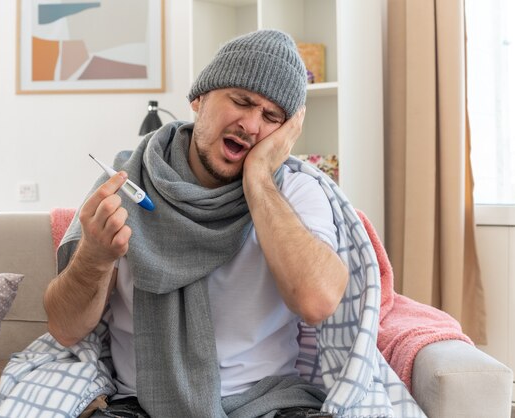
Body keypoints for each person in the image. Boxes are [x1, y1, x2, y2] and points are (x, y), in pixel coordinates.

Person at [44, 29, 349, 418]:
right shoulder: (124, 181)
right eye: (242, 101)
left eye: (272, 117)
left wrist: (258, 180)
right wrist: (94, 258)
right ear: (199, 98)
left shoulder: (296, 191)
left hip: (269, 403)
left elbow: (317, 301)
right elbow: (66, 328)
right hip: (138, 405)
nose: (252, 125)